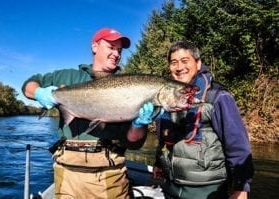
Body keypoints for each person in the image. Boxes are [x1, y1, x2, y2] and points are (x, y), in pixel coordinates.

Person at [22, 28, 156, 199]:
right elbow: (28, 85)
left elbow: (133, 143)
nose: (116, 54)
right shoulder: (67, 77)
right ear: (94, 46)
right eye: (111, 47)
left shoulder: (130, 88)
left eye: (119, 50)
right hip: (67, 176)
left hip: (110, 176)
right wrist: (40, 92)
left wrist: (140, 124)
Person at [153, 41, 254, 199]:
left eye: (185, 61)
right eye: (174, 62)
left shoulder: (218, 96)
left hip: (207, 190)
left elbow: (237, 145)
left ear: (198, 63)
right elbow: (163, 138)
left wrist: (241, 187)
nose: (179, 67)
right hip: (172, 186)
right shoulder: (166, 97)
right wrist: (159, 163)